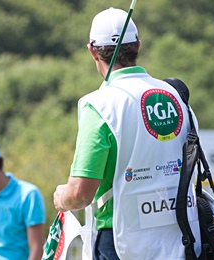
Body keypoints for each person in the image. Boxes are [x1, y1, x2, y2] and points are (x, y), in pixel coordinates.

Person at [52, 7, 201, 260]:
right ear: (138, 46)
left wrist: (61, 198)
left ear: (92, 50)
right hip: (183, 238)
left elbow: (80, 193)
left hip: (121, 242)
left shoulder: (99, 105)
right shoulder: (176, 96)